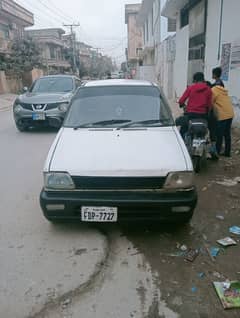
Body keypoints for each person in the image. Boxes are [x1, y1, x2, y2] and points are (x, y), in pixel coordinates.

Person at [178, 72, 212, 137]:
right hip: (203, 115)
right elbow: (209, 105)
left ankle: (181, 143)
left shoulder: (190, 88)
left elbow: (181, 101)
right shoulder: (208, 89)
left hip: (190, 114)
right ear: (203, 79)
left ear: (195, 80)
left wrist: (182, 105)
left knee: (182, 130)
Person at [212, 84, 234, 157]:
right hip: (230, 114)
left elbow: (210, 102)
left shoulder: (213, 90)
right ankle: (227, 153)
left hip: (223, 115)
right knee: (227, 134)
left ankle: (217, 152)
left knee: (219, 135)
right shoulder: (223, 91)